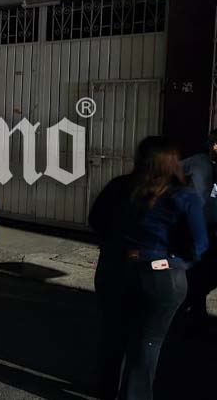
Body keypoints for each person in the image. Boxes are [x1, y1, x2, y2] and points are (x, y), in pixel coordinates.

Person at [89, 136, 209, 400]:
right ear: (173, 163)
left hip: (114, 269)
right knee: (148, 341)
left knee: (113, 333)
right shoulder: (182, 195)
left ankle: (105, 390)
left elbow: (96, 221)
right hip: (160, 275)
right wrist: (178, 263)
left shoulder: (119, 186)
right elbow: (199, 244)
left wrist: (116, 247)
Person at [181, 129, 217, 333]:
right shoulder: (197, 162)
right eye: (213, 143)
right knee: (196, 271)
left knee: (207, 273)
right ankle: (195, 313)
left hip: (213, 228)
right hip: (196, 226)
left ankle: (192, 308)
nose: (215, 148)